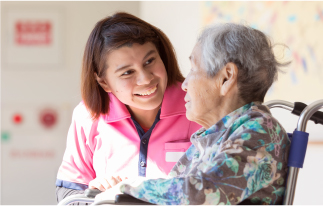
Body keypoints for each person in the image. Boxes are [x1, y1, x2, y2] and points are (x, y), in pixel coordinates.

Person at [95, 23, 291, 205]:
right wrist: (117, 187)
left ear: (226, 78)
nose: (185, 84)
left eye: (193, 69)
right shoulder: (214, 136)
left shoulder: (258, 132)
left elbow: (200, 193)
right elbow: (177, 186)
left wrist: (126, 188)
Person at [55, 12, 201, 202]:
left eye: (150, 61)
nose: (146, 79)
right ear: (104, 82)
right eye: (127, 72)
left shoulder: (201, 107)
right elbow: (68, 195)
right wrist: (98, 193)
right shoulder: (88, 116)